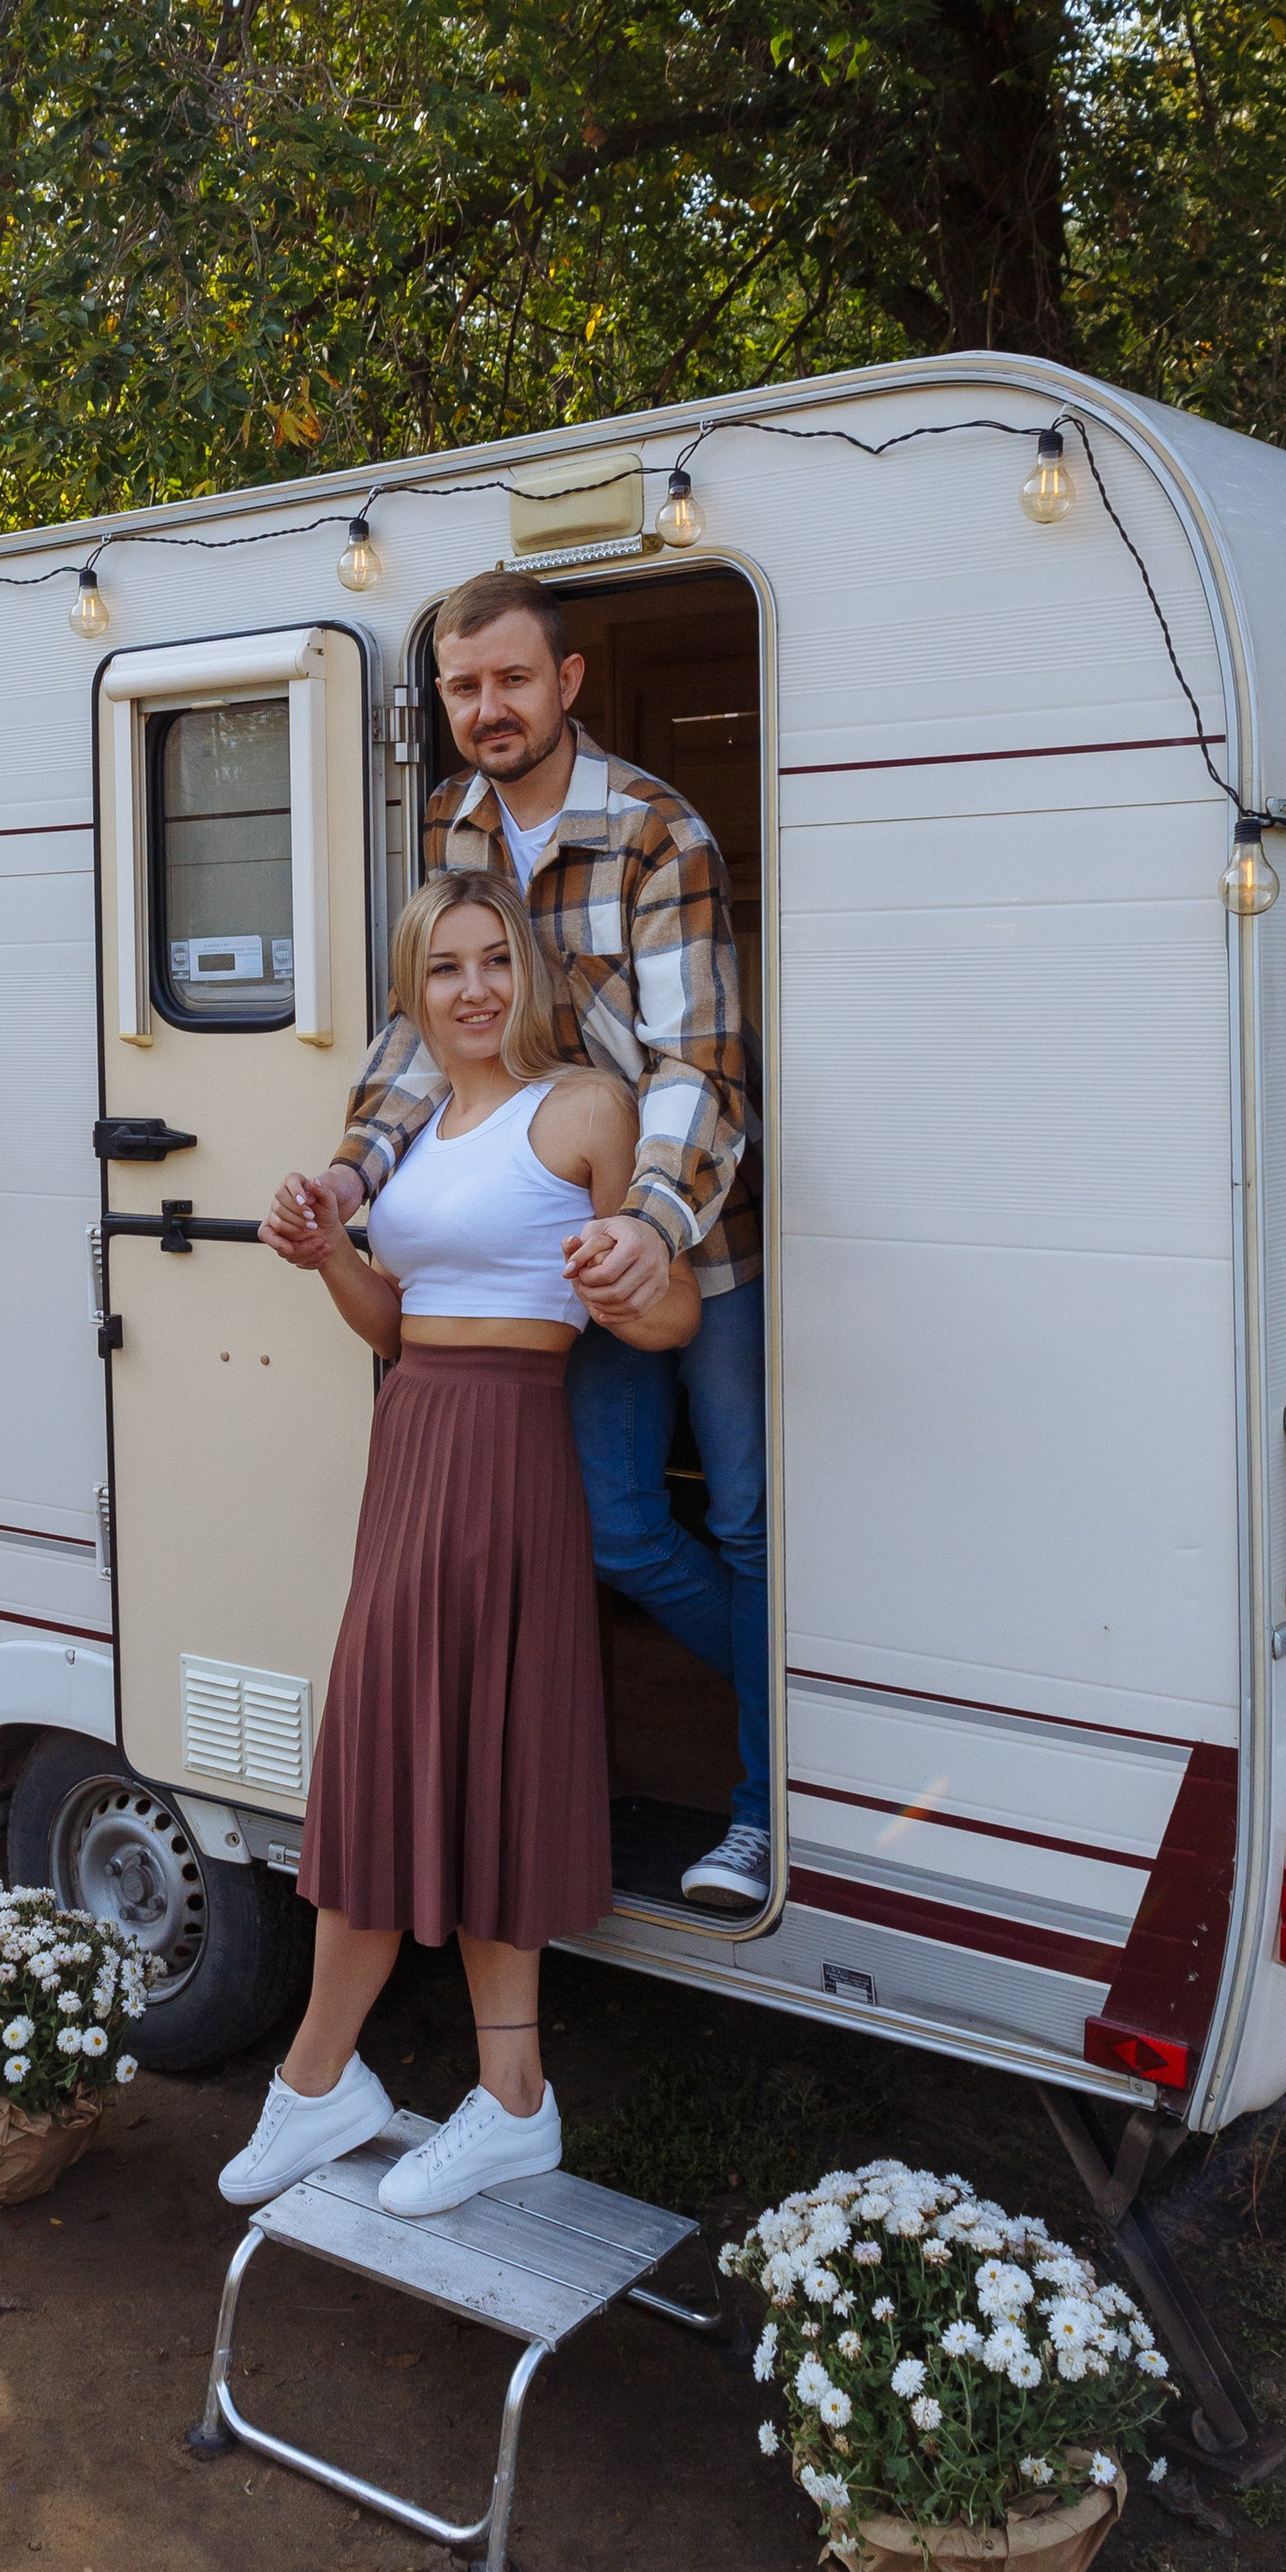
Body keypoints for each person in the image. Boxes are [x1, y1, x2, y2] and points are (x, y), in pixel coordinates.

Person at [287, 570, 772, 1914]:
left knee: (739, 1517)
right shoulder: (450, 816)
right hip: (561, 1248)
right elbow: (421, 1032)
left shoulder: (653, 829)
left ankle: (760, 1803)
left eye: (512, 680)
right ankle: (801, 1706)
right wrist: (347, 1176)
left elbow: (699, 1064)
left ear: (566, 685)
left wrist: (648, 1224)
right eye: (463, 687)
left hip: (695, 1228)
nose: (487, 708)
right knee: (620, 1529)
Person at [221, 871, 702, 2216]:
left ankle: (501, 2102)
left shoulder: (586, 1111)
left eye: (497, 961)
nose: (475, 987)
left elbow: (669, 1327)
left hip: (511, 1454)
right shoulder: (416, 1128)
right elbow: (397, 1323)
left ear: (529, 979)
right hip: (414, 1443)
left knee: (491, 1762)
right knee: (383, 1754)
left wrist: (635, 1274)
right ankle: (334, 2085)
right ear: (414, 992)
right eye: (445, 968)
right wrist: (326, 1251)